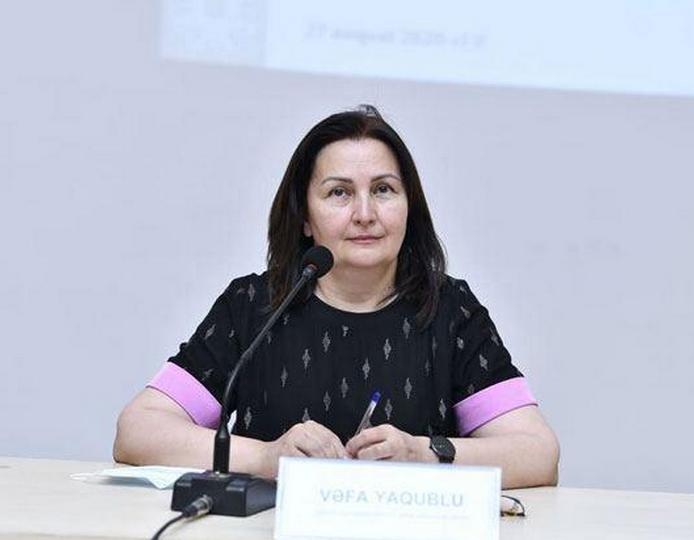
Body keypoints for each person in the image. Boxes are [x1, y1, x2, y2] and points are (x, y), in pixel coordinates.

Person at [113, 105, 559, 488]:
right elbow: (137, 430)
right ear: (305, 218)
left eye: (383, 190)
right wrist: (265, 458)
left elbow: (538, 452)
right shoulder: (254, 304)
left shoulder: (450, 310)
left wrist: (425, 454)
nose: (365, 214)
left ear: (410, 207)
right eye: (339, 193)